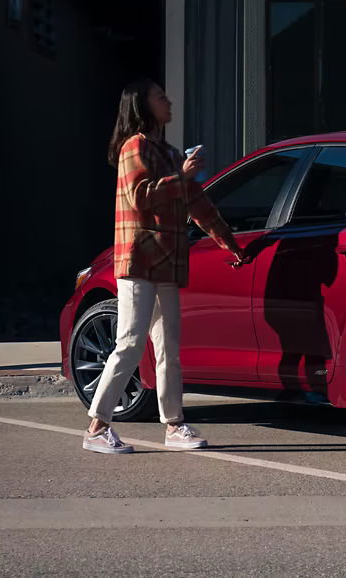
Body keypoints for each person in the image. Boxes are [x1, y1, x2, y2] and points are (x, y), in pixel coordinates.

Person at [83, 79, 245, 455]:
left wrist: (230, 243)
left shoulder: (171, 153)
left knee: (168, 346)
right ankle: (96, 427)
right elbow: (139, 196)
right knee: (130, 342)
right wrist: (183, 176)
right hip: (139, 260)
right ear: (142, 106)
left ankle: (174, 425)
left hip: (168, 263)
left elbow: (199, 205)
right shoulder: (134, 147)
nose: (169, 102)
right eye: (160, 97)